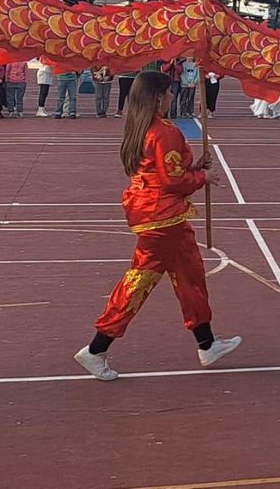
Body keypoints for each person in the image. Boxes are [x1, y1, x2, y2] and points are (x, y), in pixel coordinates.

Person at [73, 71, 238, 380]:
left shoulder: (141, 127)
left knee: (191, 274)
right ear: (157, 97)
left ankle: (206, 342)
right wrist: (202, 177)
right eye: (168, 92)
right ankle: (97, 348)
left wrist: (193, 166)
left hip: (157, 213)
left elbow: (163, 168)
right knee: (140, 281)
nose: (172, 96)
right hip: (162, 217)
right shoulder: (165, 131)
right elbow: (173, 180)